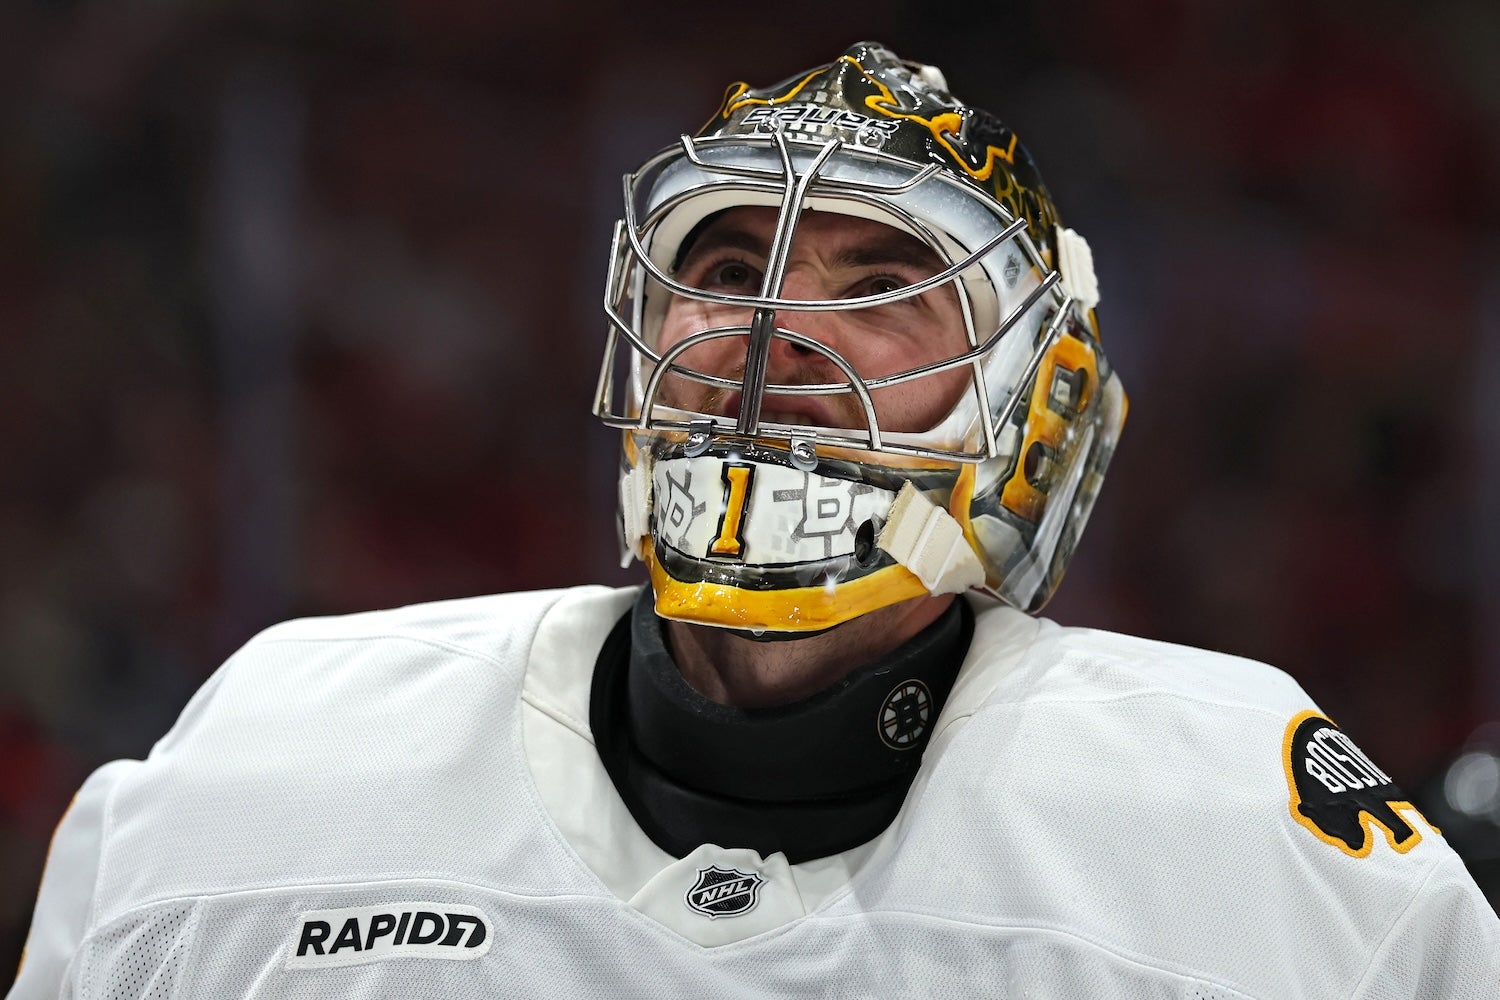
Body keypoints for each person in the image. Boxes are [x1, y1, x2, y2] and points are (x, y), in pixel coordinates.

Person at [11, 40, 1499, 999]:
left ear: (1030, 411)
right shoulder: (274, 755)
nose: (774, 331)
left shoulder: (1240, 832)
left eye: (884, 288)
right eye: (724, 271)